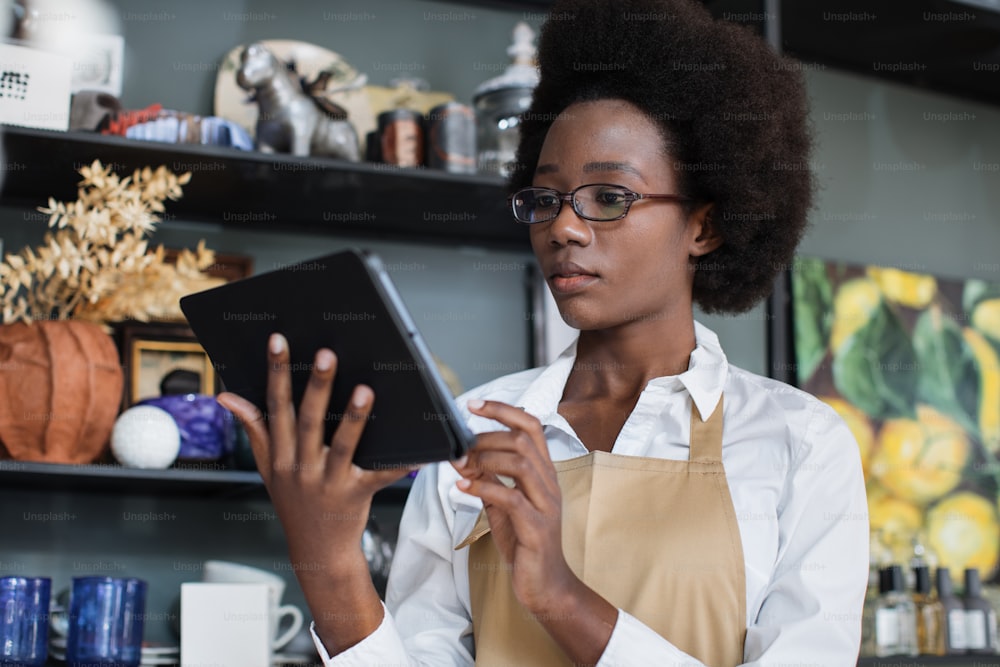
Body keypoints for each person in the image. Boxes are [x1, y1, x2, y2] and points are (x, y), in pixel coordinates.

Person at [217, 0, 870, 664]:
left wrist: (560, 594)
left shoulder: (799, 444)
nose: (563, 227)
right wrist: (328, 562)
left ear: (704, 226)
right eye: (544, 198)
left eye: (610, 197)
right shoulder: (470, 434)